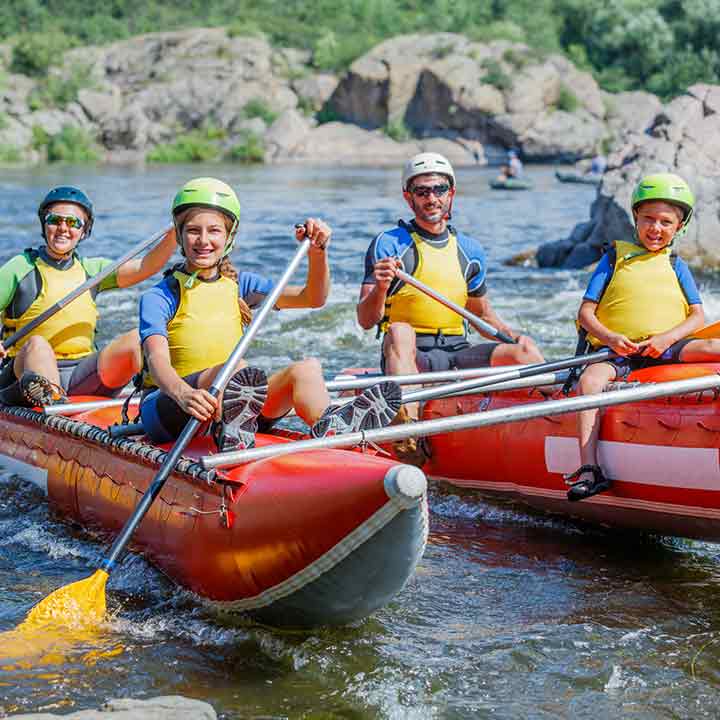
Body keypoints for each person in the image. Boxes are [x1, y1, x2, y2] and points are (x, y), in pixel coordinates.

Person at [139, 177, 401, 451]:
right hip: (171, 408)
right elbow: (157, 361)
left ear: (229, 236)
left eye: (214, 230)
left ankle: (333, 428)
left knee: (306, 369)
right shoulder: (160, 296)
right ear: (179, 235)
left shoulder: (242, 284)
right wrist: (184, 393)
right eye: (193, 230)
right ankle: (232, 427)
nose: (203, 240)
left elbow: (313, 298)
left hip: (233, 407)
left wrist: (317, 253)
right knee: (237, 371)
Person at [357, 152, 544, 463]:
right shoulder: (389, 244)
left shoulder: (469, 250)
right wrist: (380, 287)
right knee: (400, 330)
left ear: (451, 193)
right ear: (409, 198)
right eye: (422, 191)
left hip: (458, 351)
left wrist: (513, 338)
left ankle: (560, 409)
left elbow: (483, 314)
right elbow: (365, 320)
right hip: (412, 357)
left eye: (439, 189)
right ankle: (407, 436)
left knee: (525, 350)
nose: (432, 198)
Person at [567, 172, 720, 501]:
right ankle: (589, 468)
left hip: (664, 349)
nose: (656, 228)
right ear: (635, 216)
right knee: (591, 381)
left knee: (713, 347)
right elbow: (585, 314)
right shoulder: (613, 258)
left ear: (680, 227)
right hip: (617, 354)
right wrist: (610, 338)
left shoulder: (677, 264)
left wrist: (666, 339)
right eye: (648, 219)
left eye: (666, 222)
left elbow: (697, 316)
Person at [0, 185, 177, 407]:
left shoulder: (93, 271)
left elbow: (146, 266)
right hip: (23, 374)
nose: (63, 228)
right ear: (44, 224)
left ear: (84, 231)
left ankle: (164, 400)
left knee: (136, 339)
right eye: (55, 220)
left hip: (79, 374)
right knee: (37, 345)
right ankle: (52, 402)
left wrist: (174, 234)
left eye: (74, 223)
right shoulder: (20, 267)